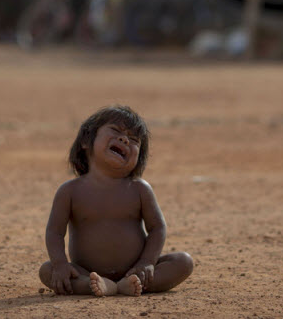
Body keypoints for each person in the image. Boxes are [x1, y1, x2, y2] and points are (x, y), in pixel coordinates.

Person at [39, 105, 193, 297]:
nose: (124, 139)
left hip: (135, 270)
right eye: (115, 131)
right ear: (87, 141)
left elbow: (157, 228)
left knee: (183, 262)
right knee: (48, 270)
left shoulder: (139, 189)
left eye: (134, 140)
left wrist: (146, 263)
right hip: (87, 272)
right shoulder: (70, 191)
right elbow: (54, 232)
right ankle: (94, 285)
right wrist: (61, 264)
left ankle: (131, 284)